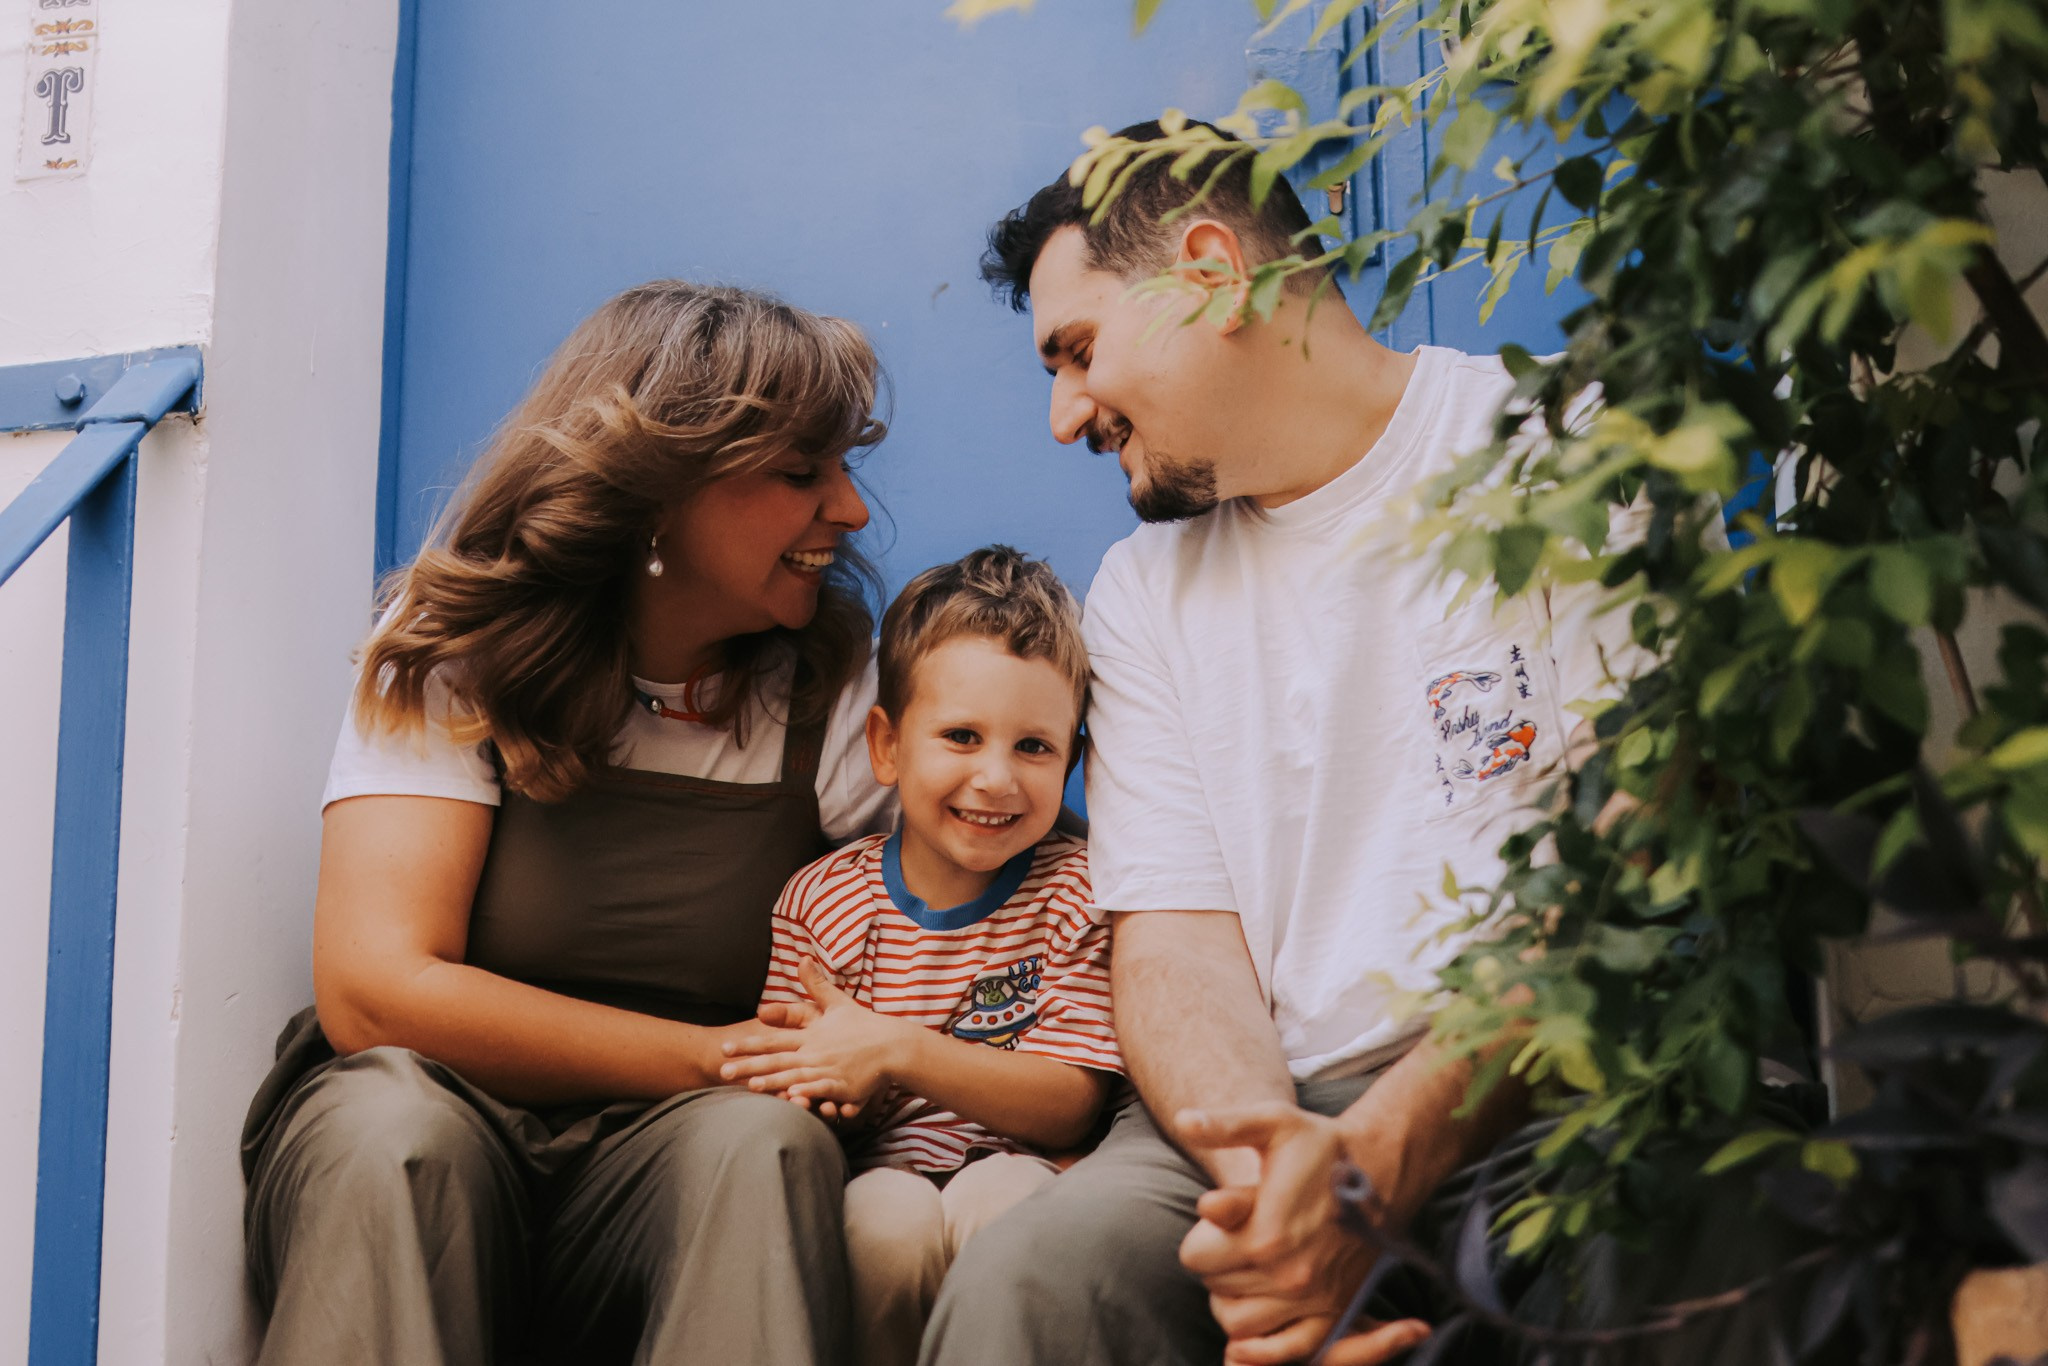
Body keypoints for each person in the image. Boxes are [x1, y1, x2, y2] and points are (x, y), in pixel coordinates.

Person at [918, 123, 1792, 1366]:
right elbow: (1174, 947)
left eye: (1078, 352)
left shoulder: (1565, 444)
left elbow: (1635, 851)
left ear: (1212, 273)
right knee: (1035, 1280)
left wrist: (1376, 1167)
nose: (1064, 417)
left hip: (1557, 1085)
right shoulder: (1141, 592)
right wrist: (1281, 1208)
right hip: (1256, 1111)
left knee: (1674, 1226)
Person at [240, 281, 896, 1365]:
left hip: (681, 1156)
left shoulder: (831, 693)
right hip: (434, 1125)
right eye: (800, 473)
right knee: (393, 1136)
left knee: (762, 1140)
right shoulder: (458, 647)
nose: (851, 510)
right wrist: (707, 1054)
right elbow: (375, 991)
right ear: (659, 488)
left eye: (843, 468)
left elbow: (977, 890)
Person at [721, 546, 1121, 1366]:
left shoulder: (1077, 892)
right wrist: (836, 1090)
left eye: (1035, 747)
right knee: (883, 1221)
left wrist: (893, 1049)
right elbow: (789, 1098)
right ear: (888, 746)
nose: (997, 778)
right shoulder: (819, 903)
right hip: (873, 1182)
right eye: (962, 737)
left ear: (1074, 762)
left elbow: (1071, 1105)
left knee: (1005, 1198)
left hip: (1027, 1170)